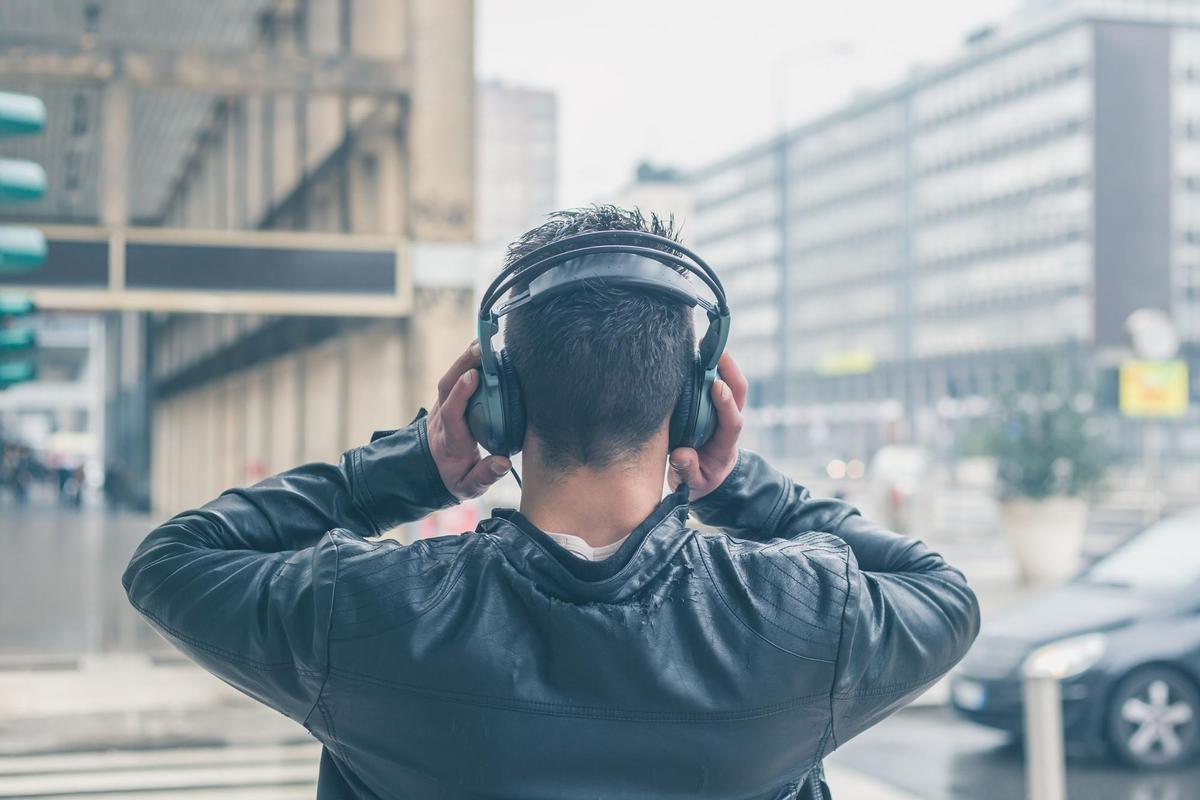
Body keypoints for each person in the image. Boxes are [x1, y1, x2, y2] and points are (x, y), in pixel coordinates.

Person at [123, 206, 980, 799]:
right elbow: (946, 594)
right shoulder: (809, 620)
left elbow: (170, 562)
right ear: (694, 404)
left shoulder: (365, 614)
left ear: (499, 405)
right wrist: (736, 484)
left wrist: (410, 469)